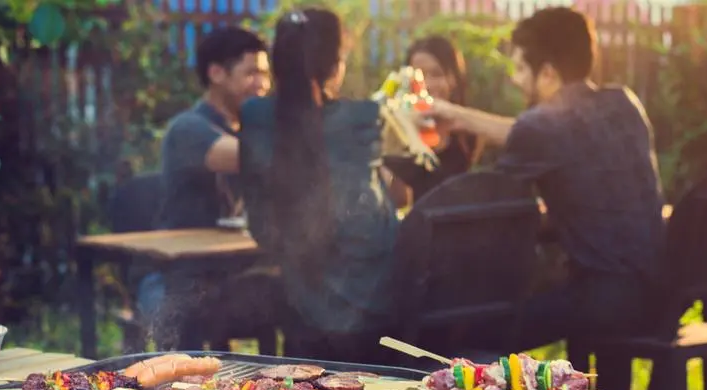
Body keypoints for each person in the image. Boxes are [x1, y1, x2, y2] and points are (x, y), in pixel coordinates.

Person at [419, 7, 666, 367]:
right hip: (659, 294)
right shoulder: (624, 103)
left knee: (468, 334)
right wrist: (458, 116)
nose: (516, 80)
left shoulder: (542, 126)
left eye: (520, 68)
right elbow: (546, 133)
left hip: (603, 301)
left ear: (547, 72)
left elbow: (497, 205)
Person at [239, 7, 402, 364]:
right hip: (372, 304)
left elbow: (263, 225)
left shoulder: (255, 116)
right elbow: (369, 225)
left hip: (299, 304)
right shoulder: (362, 119)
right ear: (335, 65)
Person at [143, 27, 278, 351]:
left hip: (229, 274)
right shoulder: (189, 128)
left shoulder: (246, 129)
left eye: (265, 74)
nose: (262, 84)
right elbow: (248, 158)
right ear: (216, 73)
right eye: (252, 73)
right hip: (178, 277)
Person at [384, 35, 482, 200]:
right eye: (418, 76)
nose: (427, 85)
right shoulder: (397, 131)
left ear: (454, 79)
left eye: (436, 74)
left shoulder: (469, 133)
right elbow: (398, 201)